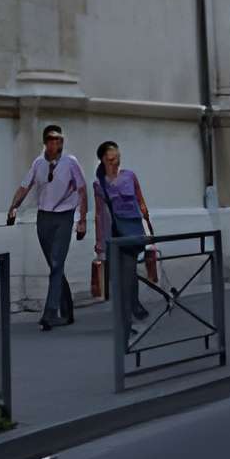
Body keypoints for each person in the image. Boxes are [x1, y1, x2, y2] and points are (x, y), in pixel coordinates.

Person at [6, 123, 88, 330]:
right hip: (44, 218)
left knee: (57, 263)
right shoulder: (38, 164)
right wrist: (13, 207)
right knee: (55, 267)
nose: (56, 143)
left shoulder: (71, 162)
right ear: (45, 142)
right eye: (51, 140)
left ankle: (50, 312)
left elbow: (82, 190)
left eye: (59, 139)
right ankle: (67, 312)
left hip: (64, 217)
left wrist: (82, 220)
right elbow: (25, 186)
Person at [93, 141, 154, 342]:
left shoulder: (130, 176)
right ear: (103, 159)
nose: (115, 162)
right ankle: (131, 312)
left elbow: (141, 201)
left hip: (132, 233)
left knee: (127, 275)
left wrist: (148, 227)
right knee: (116, 280)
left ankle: (129, 321)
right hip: (113, 236)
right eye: (111, 158)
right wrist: (100, 243)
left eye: (117, 157)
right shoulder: (99, 184)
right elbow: (100, 215)